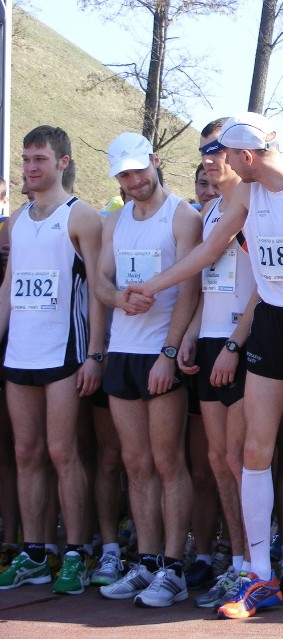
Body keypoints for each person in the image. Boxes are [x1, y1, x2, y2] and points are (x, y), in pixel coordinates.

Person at [125, 112, 283, 617]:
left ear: (247, 156)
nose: (218, 165)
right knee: (254, 449)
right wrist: (153, 285)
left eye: (224, 155)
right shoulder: (246, 196)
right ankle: (258, 577)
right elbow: (210, 250)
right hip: (270, 326)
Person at [95, 131, 201, 608]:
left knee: (167, 461)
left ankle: (173, 568)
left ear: (155, 162)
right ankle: (147, 562)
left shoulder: (183, 216)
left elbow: (191, 289)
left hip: (161, 353)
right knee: (136, 465)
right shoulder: (114, 220)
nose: (134, 180)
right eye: (124, 174)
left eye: (139, 170)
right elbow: (100, 280)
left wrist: (168, 351)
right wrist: (117, 298)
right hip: (122, 351)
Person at [0, 126, 106, 595]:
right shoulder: (16, 219)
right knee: (26, 453)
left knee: (64, 453)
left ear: (63, 162)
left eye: (39, 158)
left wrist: (95, 355)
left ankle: (77, 553)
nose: (30, 167)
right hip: (20, 352)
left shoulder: (81, 217)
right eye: (25, 159)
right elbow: (8, 288)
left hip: (64, 353)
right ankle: (35, 552)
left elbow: (100, 294)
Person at [179, 119, 256, 608]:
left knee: (239, 458)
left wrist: (233, 343)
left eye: (218, 150)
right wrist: (190, 335)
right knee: (216, 459)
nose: (210, 158)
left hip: (244, 345)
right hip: (207, 341)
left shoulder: (254, 206)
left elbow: (266, 287)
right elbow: (206, 282)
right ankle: (236, 557)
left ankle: (253, 561)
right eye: (205, 150)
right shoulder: (210, 212)